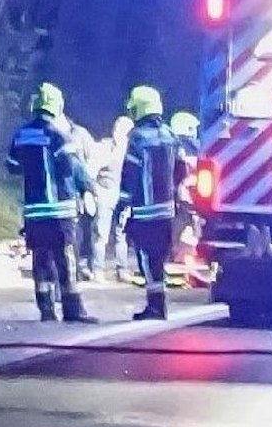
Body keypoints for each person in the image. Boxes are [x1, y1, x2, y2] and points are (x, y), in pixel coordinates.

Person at [7, 82, 96, 323]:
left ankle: (46, 310)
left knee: (40, 258)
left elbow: (12, 166)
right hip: (60, 210)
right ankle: (72, 309)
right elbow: (72, 168)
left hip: (35, 211)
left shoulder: (21, 135)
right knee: (66, 258)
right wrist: (88, 188)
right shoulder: (59, 135)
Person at [120, 87, 188, 321]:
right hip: (167, 211)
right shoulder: (170, 134)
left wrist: (123, 203)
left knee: (147, 260)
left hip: (145, 212)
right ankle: (159, 306)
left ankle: (155, 307)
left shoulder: (137, 137)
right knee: (160, 259)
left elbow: (130, 173)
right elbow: (181, 170)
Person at [92, 115, 131, 279]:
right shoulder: (104, 147)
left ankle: (122, 270)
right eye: (117, 129)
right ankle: (97, 270)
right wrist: (92, 192)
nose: (118, 133)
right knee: (101, 233)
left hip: (122, 195)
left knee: (121, 233)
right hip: (104, 192)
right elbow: (92, 169)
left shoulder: (130, 148)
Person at [65, 114, 101, 282]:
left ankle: (85, 265)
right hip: (68, 192)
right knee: (73, 234)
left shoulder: (80, 134)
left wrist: (89, 185)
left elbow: (93, 157)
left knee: (85, 232)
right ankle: (75, 269)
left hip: (80, 191)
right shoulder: (56, 134)